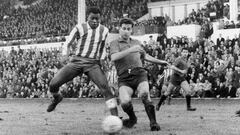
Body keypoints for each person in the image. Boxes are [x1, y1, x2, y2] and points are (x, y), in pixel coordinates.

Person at [46, 7, 118, 116]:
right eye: (92, 18)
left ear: (100, 18)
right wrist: (65, 54)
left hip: (92, 63)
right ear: (87, 17)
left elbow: (103, 48)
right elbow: (67, 42)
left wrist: (102, 60)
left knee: (106, 89)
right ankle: (57, 97)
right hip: (77, 61)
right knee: (53, 84)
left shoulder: (104, 30)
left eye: (97, 19)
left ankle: (115, 117)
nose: (95, 21)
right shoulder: (79, 28)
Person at [109, 18, 169, 131]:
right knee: (125, 102)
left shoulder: (136, 42)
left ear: (131, 30)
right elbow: (114, 57)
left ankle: (153, 123)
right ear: (119, 29)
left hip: (139, 73)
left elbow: (145, 56)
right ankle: (132, 119)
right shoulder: (114, 43)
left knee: (145, 94)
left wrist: (160, 61)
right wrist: (131, 50)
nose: (126, 31)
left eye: (128, 29)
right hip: (124, 77)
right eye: (124, 28)